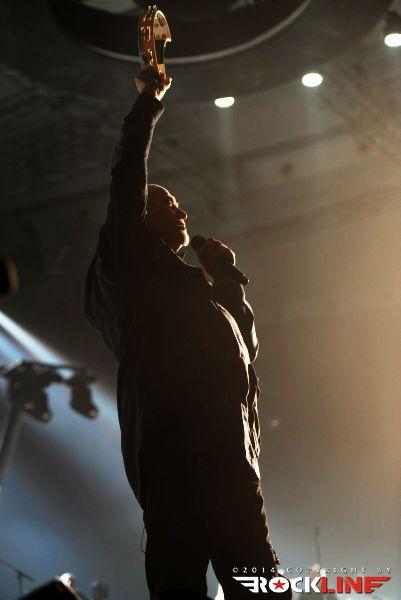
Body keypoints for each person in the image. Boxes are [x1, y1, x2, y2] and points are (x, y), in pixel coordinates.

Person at [85, 67, 291, 599]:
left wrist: (227, 283)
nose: (180, 209)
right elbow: (126, 178)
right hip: (179, 462)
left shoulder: (193, 292)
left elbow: (245, 352)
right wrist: (147, 103)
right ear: (135, 219)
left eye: (177, 202)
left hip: (232, 466)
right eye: (163, 202)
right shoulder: (128, 265)